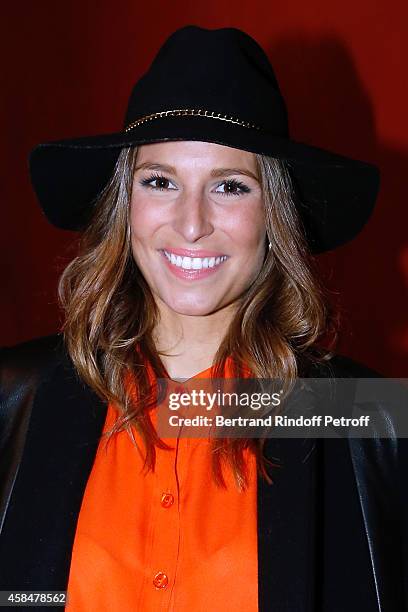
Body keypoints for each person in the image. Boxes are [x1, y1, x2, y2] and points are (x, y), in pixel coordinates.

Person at [0, 25, 406, 612]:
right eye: (160, 181)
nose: (191, 224)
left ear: (275, 214)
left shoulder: (369, 421)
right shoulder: (16, 400)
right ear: (126, 203)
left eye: (230, 186)